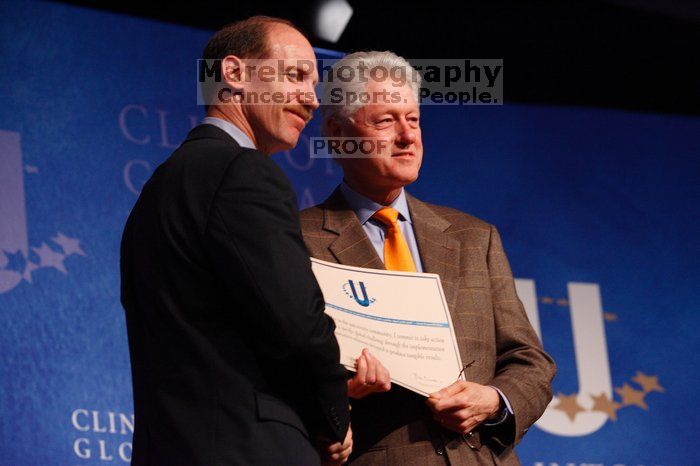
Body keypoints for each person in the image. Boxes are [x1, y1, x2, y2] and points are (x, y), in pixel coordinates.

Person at [300, 51, 556, 465]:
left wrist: (493, 399)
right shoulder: (296, 241)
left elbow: (529, 360)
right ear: (336, 132)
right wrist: (342, 390)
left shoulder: (474, 237)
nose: (407, 136)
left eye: (413, 119)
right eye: (386, 120)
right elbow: (275, 376)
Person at [120, 17, 352, 465]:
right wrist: (334, 414)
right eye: (296, 75)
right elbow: (298, 326)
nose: (312, 99)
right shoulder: (242, 172)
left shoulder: (160, 188)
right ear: (235, 73)